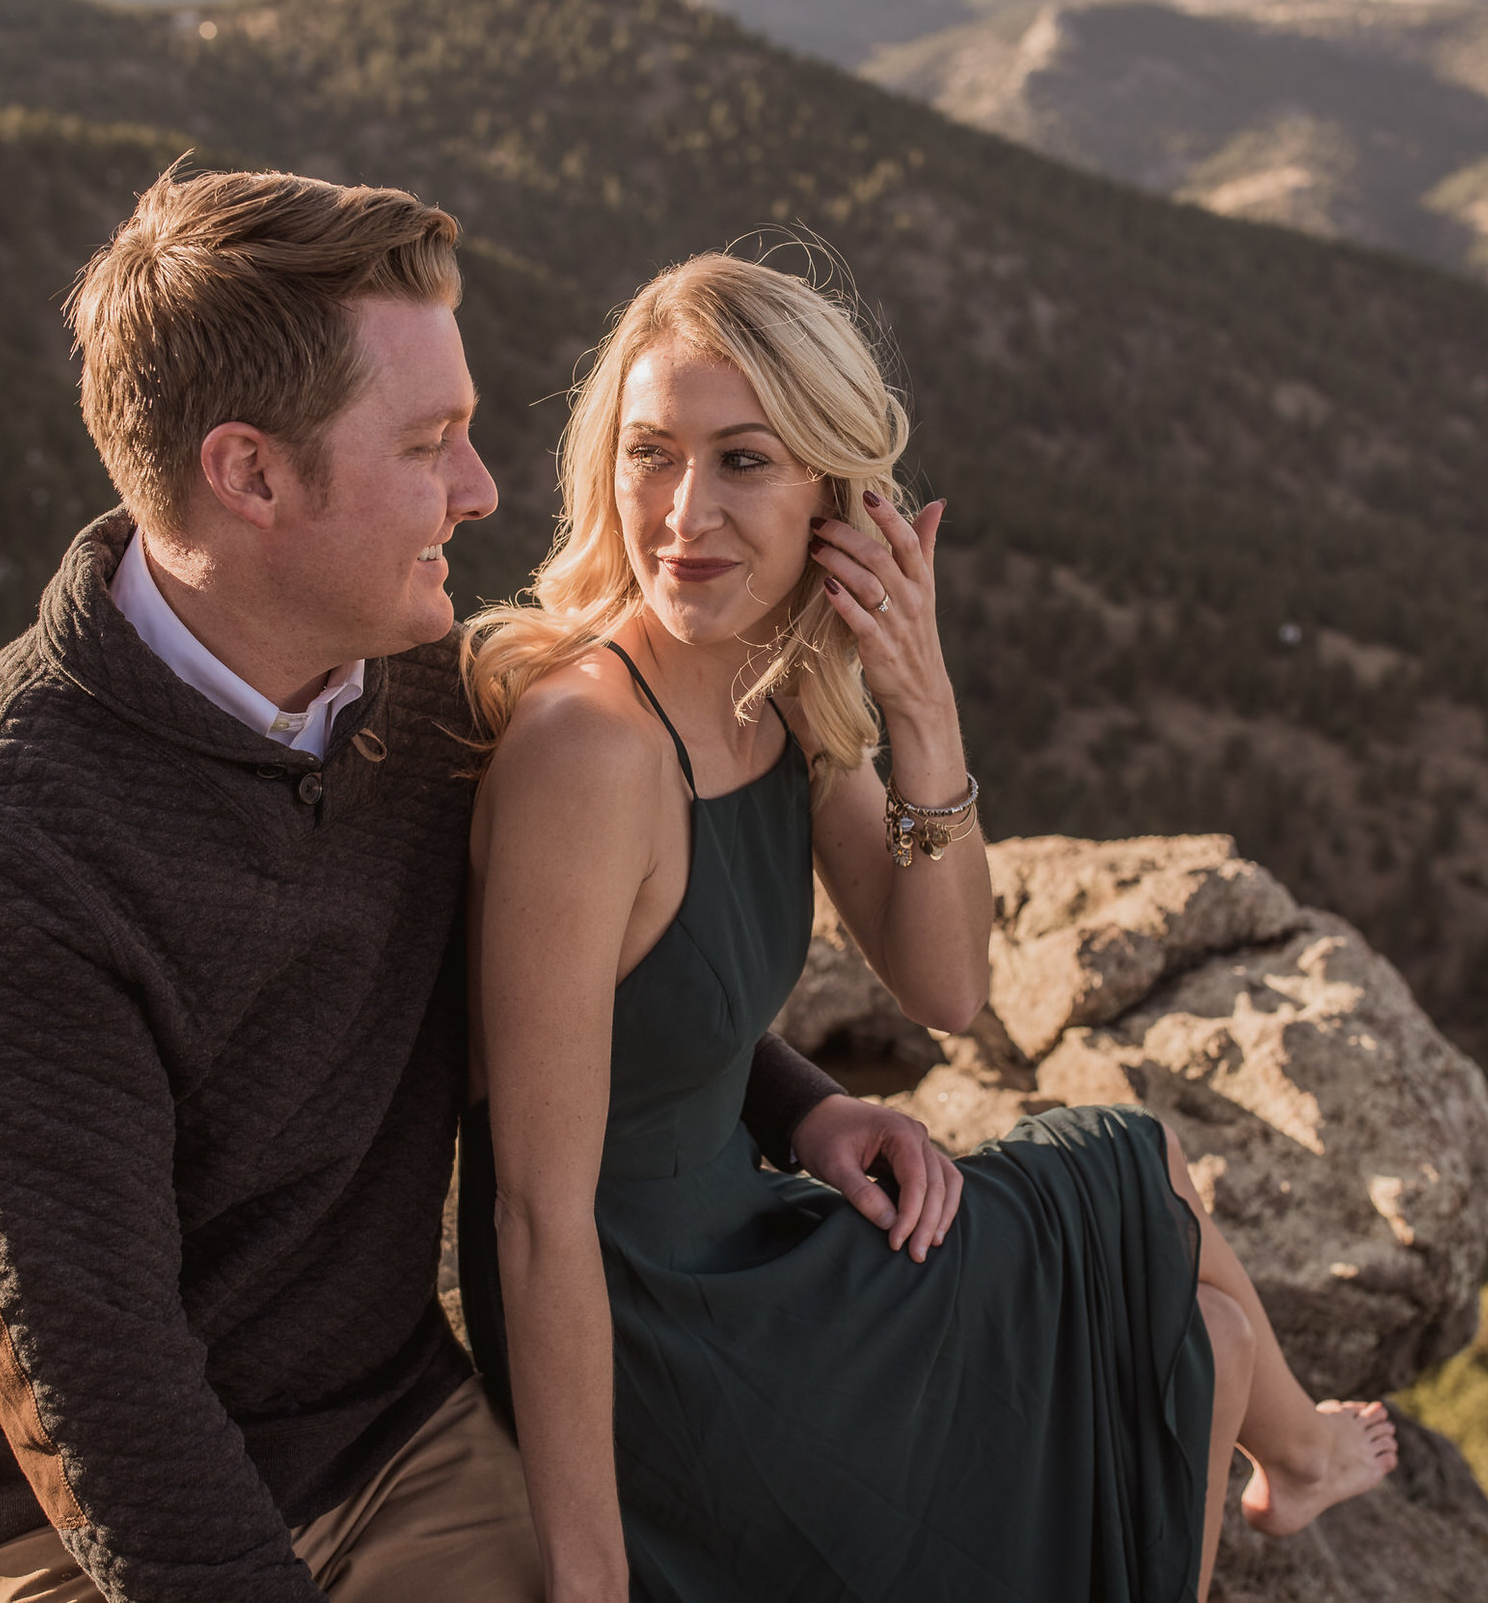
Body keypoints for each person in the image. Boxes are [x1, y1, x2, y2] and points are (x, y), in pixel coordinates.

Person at [0, 169, 939, 1603]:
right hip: (46, 1520)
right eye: (431, 445)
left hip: (378, 1436)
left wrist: (789, 1099)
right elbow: (87, 1369)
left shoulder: (422, 684)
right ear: (250, 475)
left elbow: (565, 964)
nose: (483, 491)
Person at [461, 253, 1402, 1603]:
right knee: (1139, 1189)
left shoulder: (773, 688)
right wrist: (593, 1579)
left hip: (745, 1256)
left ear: (833, 500)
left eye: (745, 462)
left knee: (1195, 1325)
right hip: (654, 1337)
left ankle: (1292, 1458)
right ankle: (1302, 1459)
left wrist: (921, 705)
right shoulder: (591, 753)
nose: (684, 512)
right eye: (652, 452)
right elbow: (533, 1210)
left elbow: (948, 984)